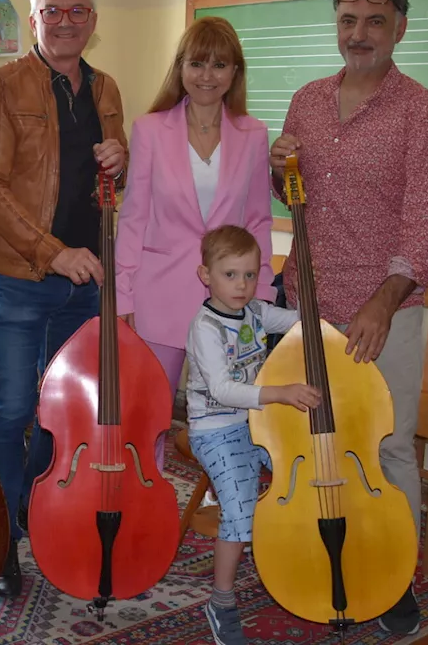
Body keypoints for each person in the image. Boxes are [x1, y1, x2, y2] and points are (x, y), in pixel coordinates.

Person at [269, 0, 428, 635]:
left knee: (387, 448)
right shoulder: (307, 101)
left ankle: (393, 576)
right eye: (349, 20)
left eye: (375, 21)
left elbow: (426, 224)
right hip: (307, 305)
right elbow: (290, 193)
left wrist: (383, 301)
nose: (360, 33)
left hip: (387, 313)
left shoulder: (424, 113)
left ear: (400, 27)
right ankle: (309, 549)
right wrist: (277, 165)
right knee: (308, 443)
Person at [0, 0, 127, 597]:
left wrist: (124, 158)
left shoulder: (107, 87)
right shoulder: (2, 85)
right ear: (34, 19)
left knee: (65, 416)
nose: (64, 22)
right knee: (10, 409)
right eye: (52, 12)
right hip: (22, 276)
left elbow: (108, 183)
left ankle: (36, 506)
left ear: (93, 19)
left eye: (77, 11)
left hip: (87, 284)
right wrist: (53, 251)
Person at [114, 15, 277, 469]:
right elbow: (133, 219)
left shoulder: (253, 134)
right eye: (197, 63)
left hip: (229, 300)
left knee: (229, 419)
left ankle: (227, 503)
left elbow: (258, 220)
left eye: (219, 65)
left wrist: (260, 295)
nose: (207, 75)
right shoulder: (148, 130)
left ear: (235, 73)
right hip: (157, 296)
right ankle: (146, 505)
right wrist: (122, 294)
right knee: (149, 417)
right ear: (180, 68)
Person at [184, 225, 320, 645]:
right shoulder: (205, 326)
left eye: (249, 274)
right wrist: (282, 393)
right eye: (230, 275)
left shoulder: (256, 312)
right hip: (215, 430)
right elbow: (224, 390)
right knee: (241, 512)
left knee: (303, 477)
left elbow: (302, 320)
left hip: (255, 424)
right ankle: (221, 600)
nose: (242, 285)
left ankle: (291, 562)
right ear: (205, 275)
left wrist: (336, 316)